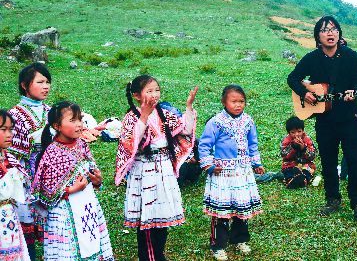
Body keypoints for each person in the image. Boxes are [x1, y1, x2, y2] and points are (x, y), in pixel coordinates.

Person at [287, 15, 357, 221]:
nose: (330, 33)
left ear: (339, 33)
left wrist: (355, 91)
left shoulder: (350, 56)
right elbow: (292, 78)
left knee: (354, 160)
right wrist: (304, 92)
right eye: (325, 30)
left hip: (349, 117)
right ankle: (333, 199)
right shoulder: (312, 58)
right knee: (328, 161)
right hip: (324, 119)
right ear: (318, 36)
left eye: (333, 29)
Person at [115, 75, 198, 261]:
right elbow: (131, 143)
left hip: (163, 169)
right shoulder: (131, 117)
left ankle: (159, 254)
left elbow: (184, 130)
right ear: (137, 95)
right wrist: (144, 116)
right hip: (144, 171)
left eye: (157, 90)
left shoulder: (163, 113)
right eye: (149, 91)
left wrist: (189, 107)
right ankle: (148, 257)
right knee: (147, 218)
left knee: (162, 216)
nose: (154, 95)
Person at [32, 101, 114, 260]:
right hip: (64, 212)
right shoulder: (52, 154)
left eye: (80, 120)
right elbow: (45, 193)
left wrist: (97, 180)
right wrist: (71, 189)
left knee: (92, 245)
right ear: (57, 125)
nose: (79, 125)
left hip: (87, 205)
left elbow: (91, 170)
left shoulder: (82, 144)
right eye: (73, 120)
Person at [198, 85, 264, 261]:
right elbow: (204, 146)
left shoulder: (248, 121)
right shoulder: (216, 122)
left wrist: (256, 163)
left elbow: (253, 144)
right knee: (221, 211)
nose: (238, 105)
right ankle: (218, 245)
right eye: (233, 101)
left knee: (241, 207)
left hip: (242, 172)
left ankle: (239, 239)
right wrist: (209, 165)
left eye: (241, 101)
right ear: (224, 102)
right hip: (222, 173)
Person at [8, 63, 52, 260]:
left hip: (49, 176)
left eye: (48, 82)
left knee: (53, 226)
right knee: (26, 231)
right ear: (25, 85)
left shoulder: (52, 111)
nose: (46, 86)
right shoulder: (14, 115)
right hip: (25, 177)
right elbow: (11, 153)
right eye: (40, 82)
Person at [0, 109, 31, 261]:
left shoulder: (9, 159)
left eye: (11, 129)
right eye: (3, 129)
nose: (9, 134)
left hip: (9, 219)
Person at [280, 116, 316, 189]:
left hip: (305, 163)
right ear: (289, 133)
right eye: (293, 132)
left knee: (308, 170)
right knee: (288, 170)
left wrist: (304, 148)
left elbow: (313, 155)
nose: (296, 134)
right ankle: (291, 180)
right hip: (290, 164)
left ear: (303, 131)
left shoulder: (307, 139)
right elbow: (283, 155)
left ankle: (303, 179)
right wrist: (292, 146)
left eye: (299, 131)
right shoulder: (286, 140)